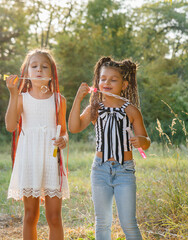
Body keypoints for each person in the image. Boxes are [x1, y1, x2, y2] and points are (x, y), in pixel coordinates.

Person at [68, 56, 150, 240]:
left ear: (124, 85)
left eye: (113, 80)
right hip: (100, 170)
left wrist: (141, 141)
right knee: (102, 222)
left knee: (128, 222)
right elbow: (73, 128)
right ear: (97, 82)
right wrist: (78, 98)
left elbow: (146, 141)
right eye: (103, 79)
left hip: (124, 171)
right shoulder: (94, 108)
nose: (107, 82)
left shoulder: (131, 110)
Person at [5, 49, 69, 240]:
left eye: (44, 66)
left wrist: (63, 140)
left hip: (51, 160)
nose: (39, 70)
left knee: (54, 217)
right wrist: (12, 93)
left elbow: (64, 131)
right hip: (29, 158)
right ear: (26, 71)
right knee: (30, 215)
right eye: (34, 66)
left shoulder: (59, 100)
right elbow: (10, 126)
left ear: (52, 73)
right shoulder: (21, 98)